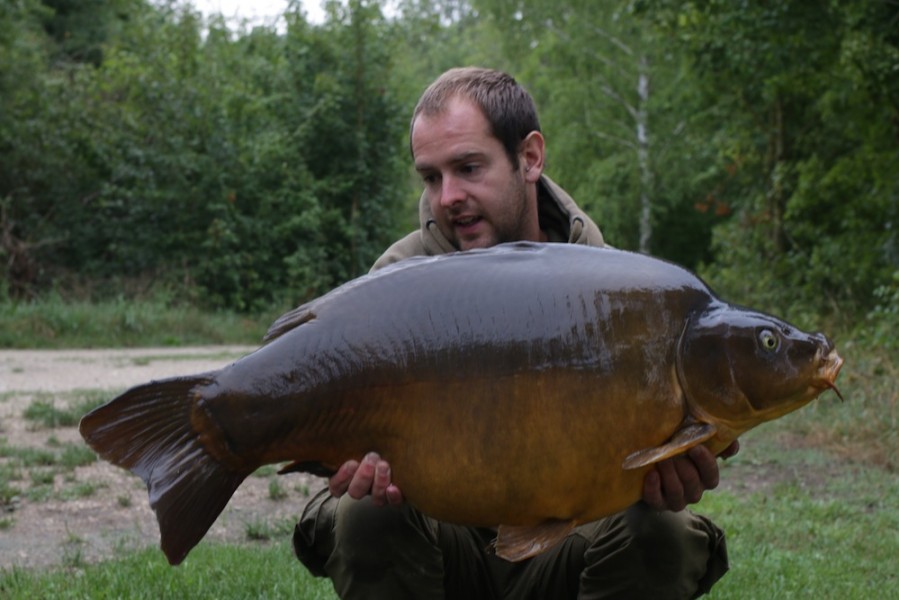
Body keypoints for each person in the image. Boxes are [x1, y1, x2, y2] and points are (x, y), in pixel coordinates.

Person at [292, 67, 734, 599]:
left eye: (468, 168)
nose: (447, 196)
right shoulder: (397, 282)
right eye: (431, 177)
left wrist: (667, 481)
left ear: (529, 157)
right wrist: (351, 469)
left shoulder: (614, 290)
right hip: (442, 548)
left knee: (663, 530)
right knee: (366, 514)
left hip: (563, 552)